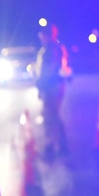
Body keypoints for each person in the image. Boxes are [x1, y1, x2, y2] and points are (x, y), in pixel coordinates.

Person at [34, 23, 70, 160]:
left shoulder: (52, 50)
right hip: (50, 87)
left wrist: (41, 85)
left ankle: (55, 146)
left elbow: (49, 71)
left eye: (43, 35)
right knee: (50, 116)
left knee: (51, 116)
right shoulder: (47, 49)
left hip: (52, 87)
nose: (41, 37)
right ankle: (57, 145)